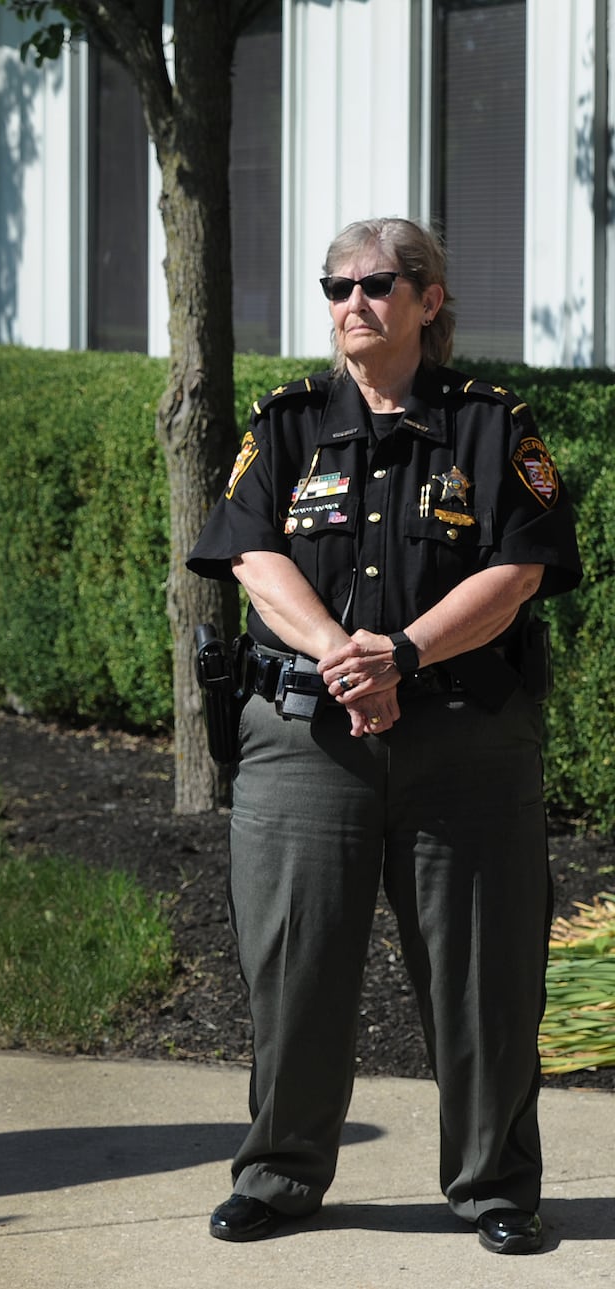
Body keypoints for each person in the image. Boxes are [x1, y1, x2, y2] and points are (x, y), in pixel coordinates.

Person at [188, 217, 581, 1255]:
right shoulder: (285, 423)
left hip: (463, 744)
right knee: (294, 968)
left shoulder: (492, 426)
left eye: (375, 284)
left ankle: (495, 1183)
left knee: (483, 977)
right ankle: (278, 1173)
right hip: (304, 741)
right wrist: (342, 656)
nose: (350, 303)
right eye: (334, 286)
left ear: (428, 299)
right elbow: (249, 558)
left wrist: (400, 653)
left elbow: (519, 570)